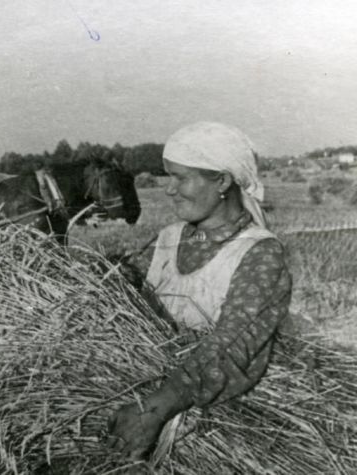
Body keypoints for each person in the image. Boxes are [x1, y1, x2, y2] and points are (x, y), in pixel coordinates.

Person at [105, 122, 292, 461]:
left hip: (198, 403)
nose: (169, 190)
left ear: (222, 181)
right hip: (152, 377)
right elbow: (143, 317)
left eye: (181, 178)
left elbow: (232, 346)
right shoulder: (170, 237)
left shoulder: (259, 253)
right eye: (168, 176)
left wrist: (154, 409)